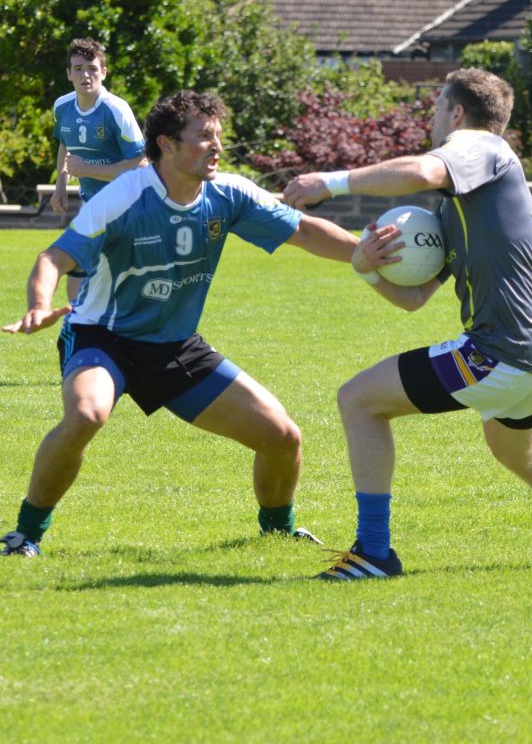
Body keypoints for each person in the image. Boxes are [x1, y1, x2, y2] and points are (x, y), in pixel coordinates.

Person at [282, 68, 532, 579]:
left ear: (458, 113)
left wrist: (329, 182)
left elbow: (422, 172)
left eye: (435, 109)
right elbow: (415, 298)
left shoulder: (481, 147)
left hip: (499, 348)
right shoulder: (464, 202)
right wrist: (366, 270)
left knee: (359, 400)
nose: (431, 120)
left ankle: (375, 553)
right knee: (520, 452)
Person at [2, 90, 359, 558]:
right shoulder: (124, 197)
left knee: (282, 437)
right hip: (103, 338)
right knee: (87, 414)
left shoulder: (228, 193)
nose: (216, 146)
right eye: (203, 137)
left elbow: (304, 230)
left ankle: (277, 532)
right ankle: (24, 535)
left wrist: (364, 253)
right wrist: (38, 303)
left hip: (174, 347)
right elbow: (55, 256)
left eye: (218, 136)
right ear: (167, 144)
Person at [52, 38, 148, 302]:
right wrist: (61, 185)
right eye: (79, 68)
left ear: (104, 73)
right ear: (69, 74)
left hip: (128, 205)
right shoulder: (62, 107)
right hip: (91, 203)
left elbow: (141, 164)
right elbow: (64, 143)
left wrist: (87, 169)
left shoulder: (116, 109)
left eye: (93, 68)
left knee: (123, 281)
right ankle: (78, 330)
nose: (86, 75)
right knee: (78, 270)